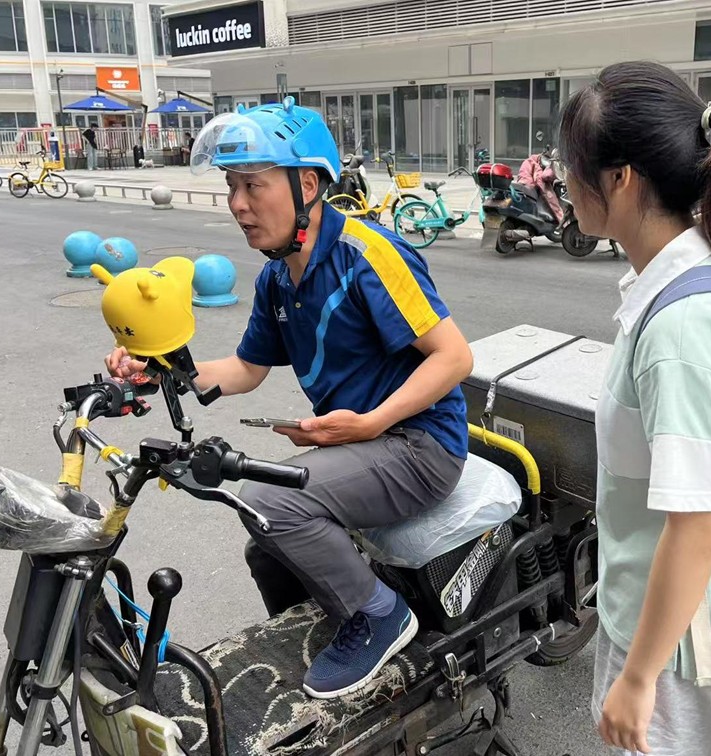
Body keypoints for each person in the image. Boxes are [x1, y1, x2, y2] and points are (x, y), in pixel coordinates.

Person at [104, 97, 473, 700]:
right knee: (267, 546)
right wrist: (161, 369)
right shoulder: (277, 277)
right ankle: (324, 629)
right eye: (232, 186)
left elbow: (454, 357)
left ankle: (379, 617)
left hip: (421, 446)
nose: (238, 204)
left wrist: (368, 423)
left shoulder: (368, 256)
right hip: (365, 445)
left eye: (253, 185)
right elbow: (246, 369)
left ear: (306, 185)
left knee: (269, 500)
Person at [558, 61, 711, 755]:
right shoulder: (688, 285)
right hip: (675, 625)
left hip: (681, 652)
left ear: (620, 179)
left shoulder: (684, 328)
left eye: (570, 165)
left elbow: (699, 523)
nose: (561, 181)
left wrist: (638, 678)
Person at [517, 146, 563, 224]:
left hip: (523, 184)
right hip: (529, 187)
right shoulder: (537, 165)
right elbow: (545, 177)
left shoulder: (531, 160)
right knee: (550, 197)